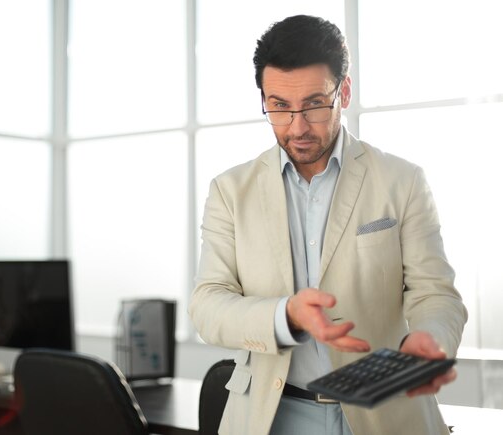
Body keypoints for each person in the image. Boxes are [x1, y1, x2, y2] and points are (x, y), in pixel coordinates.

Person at [189, 14, 467, 435]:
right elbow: (207, 307)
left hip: (386, 411)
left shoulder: (401, 180)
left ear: (345, 92)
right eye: (279, 107)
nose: (297, 127)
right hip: (273, 415)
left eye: (315, 104)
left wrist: (432, 338)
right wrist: (288, 315)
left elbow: (436, 294)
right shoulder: (230, 191)